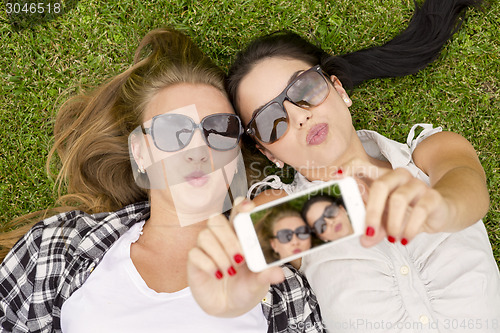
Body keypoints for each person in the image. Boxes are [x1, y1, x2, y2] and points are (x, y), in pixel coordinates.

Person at [188, 0, 500, 331]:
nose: (298, 116)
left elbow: (468, 188)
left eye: (304, 88)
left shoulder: (427, 154)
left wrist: (441, 207)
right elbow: (239, 266)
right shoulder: (276, 209)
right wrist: (230, 293)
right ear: (268, 154)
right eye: (271, 122)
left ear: (338, 89)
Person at [0, 28, 325, 333]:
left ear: (236, 151)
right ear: (140, 153)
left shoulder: (282, 288)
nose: (198, 151)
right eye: (172, 131)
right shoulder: (59, 248)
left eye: (220, 129)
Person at [256, 204, 312, 268]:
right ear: (273, 244)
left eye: (302, 232)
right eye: (285, 236)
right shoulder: (271, 273)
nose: (295, 242)